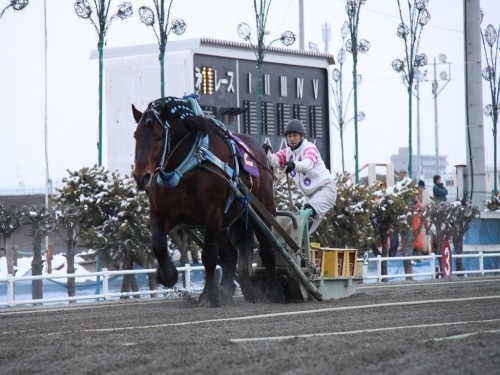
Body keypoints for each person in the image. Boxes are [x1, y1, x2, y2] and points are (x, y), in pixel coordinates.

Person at [263, 119, 337, 234]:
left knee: (305, 216)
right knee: (299, 231)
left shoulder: (310, 147)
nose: (292, 139)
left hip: (326, 190)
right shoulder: (287, 152)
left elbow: (308, 164)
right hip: (310, 197)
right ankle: (296, 251)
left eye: (295, 135)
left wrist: (294, 165)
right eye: (289, 136)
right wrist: (266, 152)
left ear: (302, 136)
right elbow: (275, 161)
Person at [411, 191, 428, 257]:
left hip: (417, 230)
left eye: (416, 195)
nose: (415, 197)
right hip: (410, 232)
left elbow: (425, 218)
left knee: (418, 246)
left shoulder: (420, 206)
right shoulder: (419, 206)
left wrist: (427, 227)